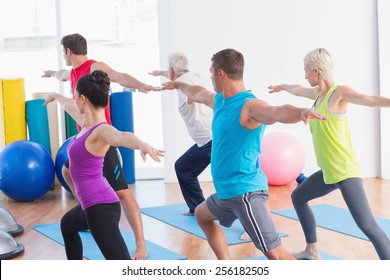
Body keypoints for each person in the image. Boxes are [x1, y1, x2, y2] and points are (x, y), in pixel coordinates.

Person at [162, 48, 327, 260]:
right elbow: (197, 92)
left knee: (275, 253)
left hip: (245, 193)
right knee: (202, 216)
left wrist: (300, 112)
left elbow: (277, 112)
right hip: (225, 194)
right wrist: (176, 84)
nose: (210, 77)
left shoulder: (250, 106)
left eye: (211, 72)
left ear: (221, 74)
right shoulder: (220, 101)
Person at [42, 33, 160, 259]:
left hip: (99, 145)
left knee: (123, 193)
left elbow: (119, 78)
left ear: (68, 51)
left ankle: (141, 244)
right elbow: (63, 78)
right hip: (83, 146)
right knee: (67, 176)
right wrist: (53, 84)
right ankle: (86, 206)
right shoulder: (74, 74)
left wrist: (141, 86)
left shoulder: (94, 68)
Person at [268, 48, 390, 260]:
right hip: (329, 172)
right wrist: (283, 87)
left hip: (344, 171)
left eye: (306, 70)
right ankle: (312, 250)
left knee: (368, 226)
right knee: (298, 196)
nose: (305, 75)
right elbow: (297, 89)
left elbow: (370, 100)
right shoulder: (318, 95)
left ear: (316, 71)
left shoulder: (339, 93)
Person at [149, 52, 212, 216]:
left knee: (228, 180)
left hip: (211, 140)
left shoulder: (183, 83)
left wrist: (175, 83)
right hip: (205, 140)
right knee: (183, 167)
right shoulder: (195, 76)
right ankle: (198, 208)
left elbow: (190, 94)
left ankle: (250, 222)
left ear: (171, 70)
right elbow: (179, 75)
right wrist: (161, 73)